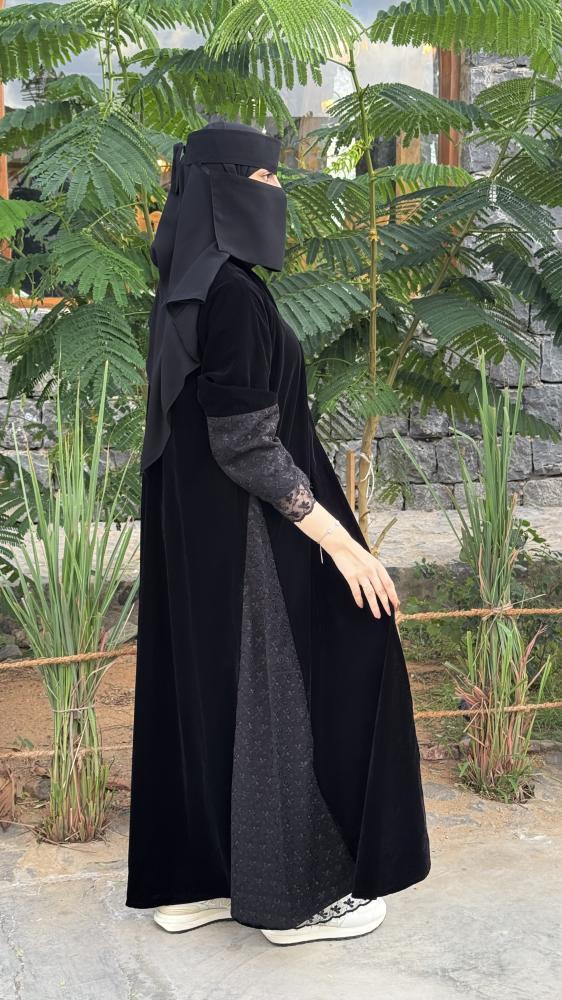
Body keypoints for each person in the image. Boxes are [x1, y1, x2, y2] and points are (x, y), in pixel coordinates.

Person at [125, 120, 430, 945]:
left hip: (196, 545)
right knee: (288, 692)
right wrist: (343, 545)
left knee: (205, 695)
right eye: (265, 177)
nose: (278, 192)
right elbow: (246, 445)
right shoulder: (230, 293)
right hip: (250, 538)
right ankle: (292, 903)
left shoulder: (184, 289)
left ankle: (197, 884)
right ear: (224, 187)